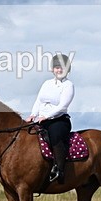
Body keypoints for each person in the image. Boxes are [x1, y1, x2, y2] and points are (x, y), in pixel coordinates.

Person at [27, 54, 75, 184]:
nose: (59, 70)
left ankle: (59, 170)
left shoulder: (68, 85)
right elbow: (39, 100)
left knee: (55, 136)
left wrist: (46, 116)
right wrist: (33, 115)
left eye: (62, 68)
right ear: (53, 69)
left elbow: (62, 106)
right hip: (42, 119)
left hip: (59, 120)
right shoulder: (46, 83)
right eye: (57, 67)